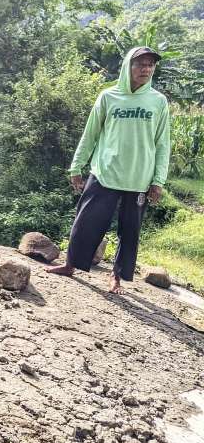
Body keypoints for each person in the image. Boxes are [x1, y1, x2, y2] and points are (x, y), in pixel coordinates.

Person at [46, 46, 171, 293]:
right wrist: (76, 165)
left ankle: (116, 276)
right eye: (140, 64)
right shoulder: (108, 96)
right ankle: (71, 264)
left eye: (150, 65)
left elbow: (163, 143)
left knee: (129, 231)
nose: (146, 69)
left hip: (139, 178)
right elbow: (90, 134)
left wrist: (158, 180)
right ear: (128, 66)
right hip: (104, 172)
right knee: (86, 221)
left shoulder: (158, 102)